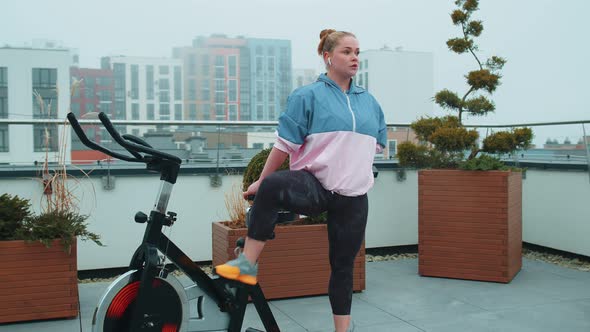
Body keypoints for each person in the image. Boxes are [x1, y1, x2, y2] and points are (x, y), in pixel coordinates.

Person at [215, 29, 386, 332]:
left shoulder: (370, 103)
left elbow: (371, 148)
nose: (354, 57)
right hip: (315, 186)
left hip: (354, 196)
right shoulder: (307, 96)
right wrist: (260, 181)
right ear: (328, 56)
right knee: (271, 186)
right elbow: (284, 146)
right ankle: (246, 265)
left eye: (357, 52)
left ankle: (342, 330)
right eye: (346, 51)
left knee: (343, 268)